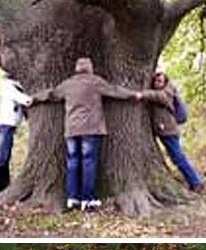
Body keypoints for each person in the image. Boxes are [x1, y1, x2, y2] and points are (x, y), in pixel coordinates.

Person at [31, 57, 145, 211]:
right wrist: (133, 94)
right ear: (90, 68)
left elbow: (52, 94)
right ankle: (87, 199)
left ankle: (72, 198)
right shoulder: (95, 82)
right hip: (91, 128)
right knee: (88, 163)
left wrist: (34, 98)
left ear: (76, 69)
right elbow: (115, 91)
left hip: (72, 129)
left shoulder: (68, 84)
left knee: (72, 163)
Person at [143, 70, 205, 192]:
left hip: (169, 131)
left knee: (178, 157)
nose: (157, 83)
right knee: (177, 157)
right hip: (163, 130)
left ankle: (196, 182)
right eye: (155, 80)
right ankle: (195, 181)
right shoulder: (159, 91)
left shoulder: (167, 92)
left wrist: (142, 94)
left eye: (160, 81)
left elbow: (160, 97)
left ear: (165, 82)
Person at [0, 73, 32, 193]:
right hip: (7, 124)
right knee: (4, 154)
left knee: (6, 152)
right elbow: (25, 100)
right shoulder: (8, 87)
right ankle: (2, 186)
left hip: (12, 124)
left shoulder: (16, 87)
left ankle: (4, 184)